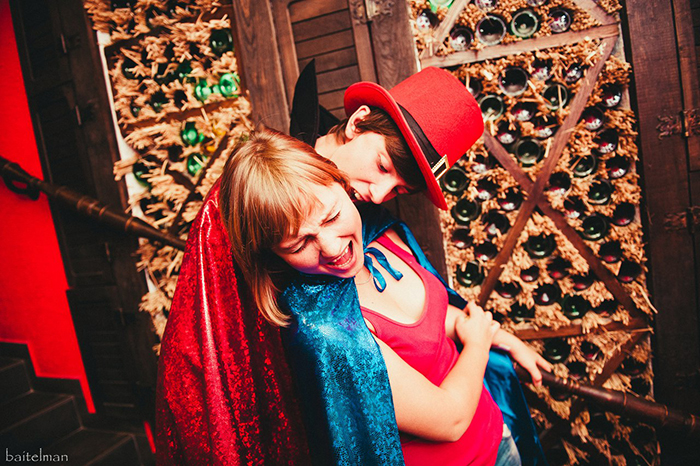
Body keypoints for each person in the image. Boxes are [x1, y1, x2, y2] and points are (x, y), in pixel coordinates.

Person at [155, 66, 545, 465]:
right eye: (383, 166)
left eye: (399, 189)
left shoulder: (366, 217)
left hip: (493, 433)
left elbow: (428, 318)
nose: (378, 194)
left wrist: (497, 337)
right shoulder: (312, 302)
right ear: (357, 122)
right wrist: (477, 344)